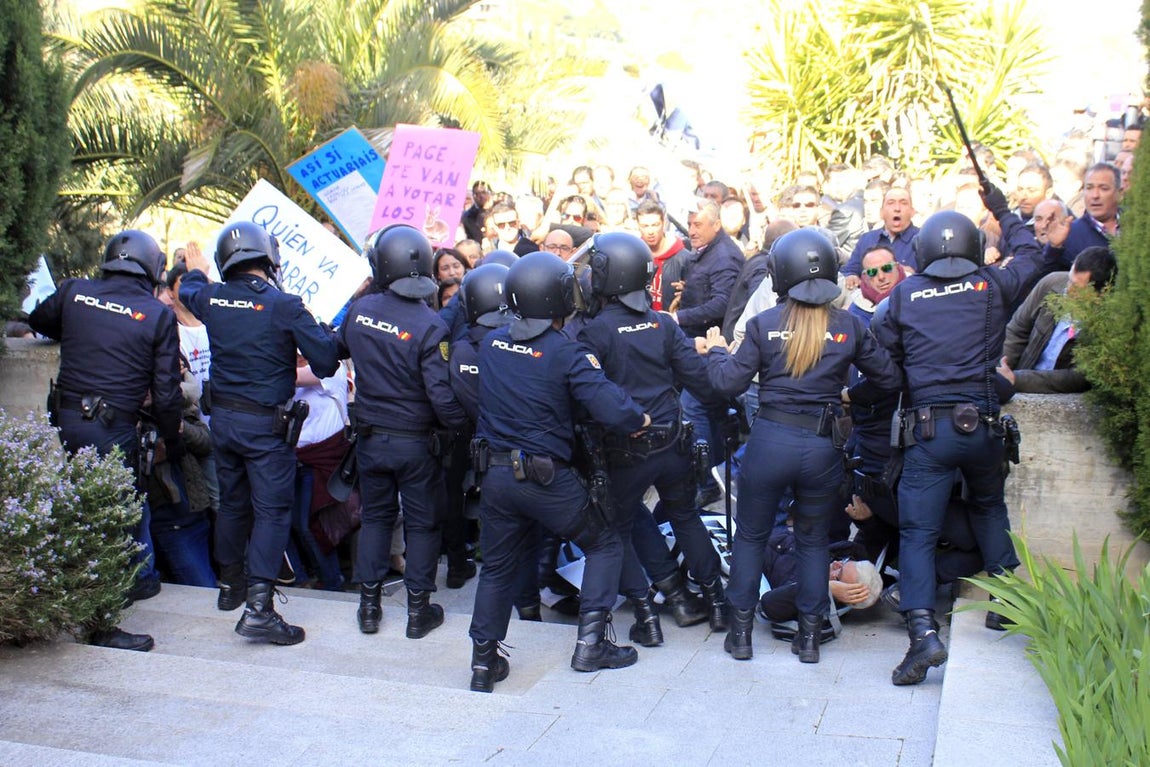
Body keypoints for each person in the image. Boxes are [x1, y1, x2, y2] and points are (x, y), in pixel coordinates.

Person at [868, 186, 1059, 686]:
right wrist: (1001, 206)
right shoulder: (991, 285)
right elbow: (1035, 254)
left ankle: (923, 637)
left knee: (918, 533)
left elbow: (882, 358)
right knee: (989, 507)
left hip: (930, 432)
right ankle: (1005, 605)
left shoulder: (904, 295)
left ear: (923, 251)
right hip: (986, 428)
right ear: (974, 248)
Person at [699, 228, 902, 663]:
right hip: (821, 445)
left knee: (751, 537)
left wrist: (716, 350)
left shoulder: (762, 325)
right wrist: (850, 396)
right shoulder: (848, 325)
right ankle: (810, 639)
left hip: (770, 441)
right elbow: (888, 380)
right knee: (812, 542)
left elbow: (725, 383)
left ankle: (739, 636)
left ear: (781, 275)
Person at [467, 251, 651, 693]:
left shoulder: (490, 343)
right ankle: (591, 645)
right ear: (557, 299)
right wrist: (639, 419)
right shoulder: (566, 353)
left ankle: (482, 663)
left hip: (494, 476)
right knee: (605, 541)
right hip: (546, 479)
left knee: (495, 568)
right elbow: (610, 407)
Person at [181, 223, 339, 646]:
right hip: (266, 428)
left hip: (225, 424)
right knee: (271, 512)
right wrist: (328, 335)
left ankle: (231, 586)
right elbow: (325, 362)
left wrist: (196, 269)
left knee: (233, 505)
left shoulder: (209, 297)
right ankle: (259, 610)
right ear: (268, 258)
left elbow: (187, 288)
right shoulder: (283, 305)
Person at [29, 229, 184, 652]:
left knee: (79, 512)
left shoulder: (75, 292)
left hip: (65, 421)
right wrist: (176, 440)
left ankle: (112, 591)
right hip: (113, 428)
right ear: (154, 269)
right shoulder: (156, 315)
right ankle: (102, 622)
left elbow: (38, 320)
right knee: (114, 521)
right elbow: (167, 394)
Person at [577, 232, 730, 637]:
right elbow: (703, 384)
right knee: (685, 517)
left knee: (616, 528)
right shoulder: (661, 324)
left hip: (625, 450)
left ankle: (660, 605)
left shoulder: (594, 332)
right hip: (673, 443)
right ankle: (715, 602)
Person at [336, 225, 467, 638]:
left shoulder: (360, 311)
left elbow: (331, 351)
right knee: (422, 524)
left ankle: (369, 609)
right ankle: (417, 612)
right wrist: (466, 425)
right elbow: (442, 398)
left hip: (371, 441)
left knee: (375, 518)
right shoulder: (431, 325)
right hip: (415, 444)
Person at [998, 246, 1117, 393]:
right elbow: (1017, 329)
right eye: (1069, 281)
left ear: (1101, 295)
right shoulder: (1051, 284)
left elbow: (1080, 377)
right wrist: (1003, 368)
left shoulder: (1108, 321)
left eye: (1077, 288)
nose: (1068, 290)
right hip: (1018, 379)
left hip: (1061, 396)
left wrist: (1018, 379)